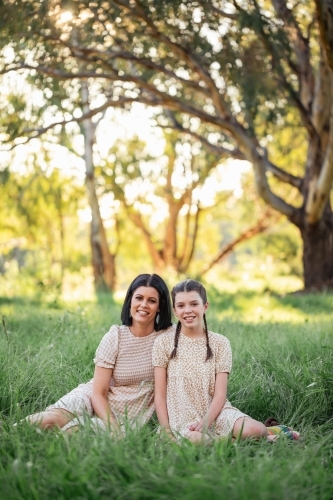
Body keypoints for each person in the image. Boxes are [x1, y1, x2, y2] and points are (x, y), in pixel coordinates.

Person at [26, 273, 173, 433]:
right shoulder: (115, 337)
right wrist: (113, 426)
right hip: (95, 396)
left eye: (151, 301)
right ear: (130, 300)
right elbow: (98, 393)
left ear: (160, 306)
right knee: (52, 419)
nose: (144, 304)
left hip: (127, 408)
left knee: (74, 433)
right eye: (139, 298)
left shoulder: (169, 336)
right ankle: (8, 430)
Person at [153, 279, 268, 443]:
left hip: (217, 413)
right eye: (181, 306)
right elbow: (160, 395)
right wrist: (166, 430)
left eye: (194, 304)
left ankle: (255, 434)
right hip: (181, 418)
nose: (188, 310)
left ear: (205, 306)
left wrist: (206, 422)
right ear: (175, 311)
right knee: (199, 441)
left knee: (258, 430)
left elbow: (220, 394)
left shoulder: (220, 343)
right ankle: (232, 441)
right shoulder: (163, 343)